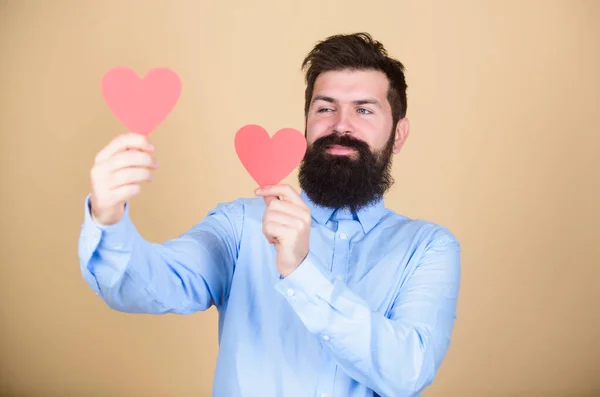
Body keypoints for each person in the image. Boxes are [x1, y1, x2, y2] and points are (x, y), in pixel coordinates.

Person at [78, 32, 461, 397]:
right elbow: (140, 286)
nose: (341, 125)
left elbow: (407, 372)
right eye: (325, 108)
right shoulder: (239, 226)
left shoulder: (427, 248)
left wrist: (301, 272)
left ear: (399, 134)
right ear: (307, 123)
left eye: (364, 110)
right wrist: (108, 218)